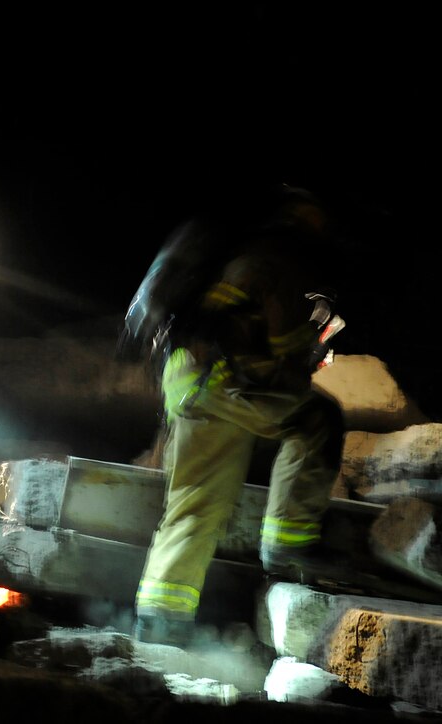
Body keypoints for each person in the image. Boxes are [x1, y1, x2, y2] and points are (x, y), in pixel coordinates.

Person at [122, 184, 349, 647]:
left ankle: (160, 622)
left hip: (189, 380)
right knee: (318, 420)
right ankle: (288, 541)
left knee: (194, 504)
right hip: (228, 380)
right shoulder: (279, 259)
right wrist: (309, 353)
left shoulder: (238, 251)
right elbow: (280, 339)